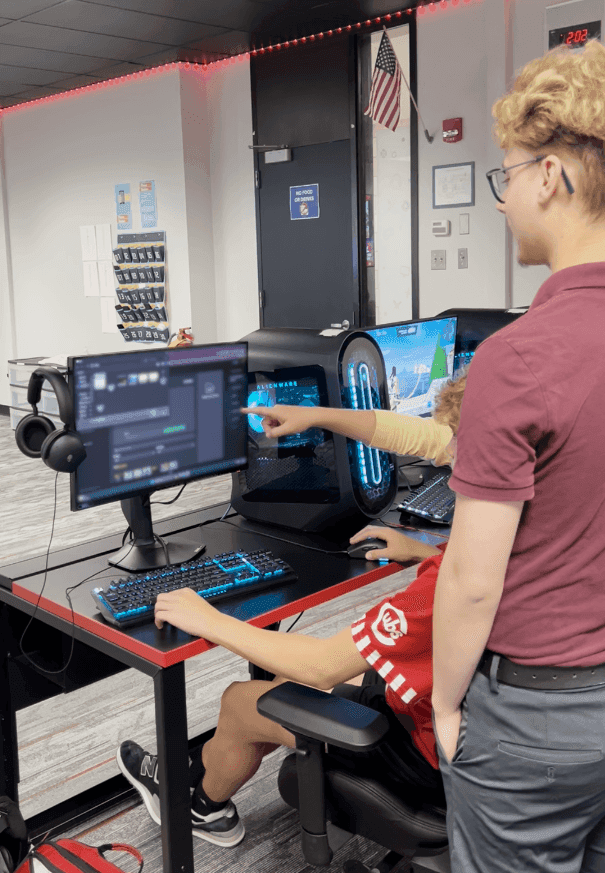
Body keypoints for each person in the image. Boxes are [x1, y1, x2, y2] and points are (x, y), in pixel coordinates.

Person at [116, 373, 464, 847]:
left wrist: (209, 621)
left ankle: (201, 807)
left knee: (242, 700)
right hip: (478, 733)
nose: (447, 467)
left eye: (456, 462)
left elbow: (321, 667)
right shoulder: (542, 541)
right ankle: (203, 771)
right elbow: (423, 438)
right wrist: (427, 554)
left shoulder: (449, 589)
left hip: (431, 761)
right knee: (291, 686)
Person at [429, 39, 605, 873]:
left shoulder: (518, 355)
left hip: (537, 715)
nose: (502, 200)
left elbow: (470, 578)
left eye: (506, 176)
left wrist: (441, 701)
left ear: (550, 175)